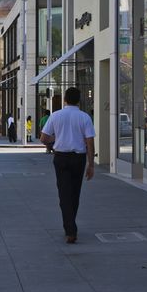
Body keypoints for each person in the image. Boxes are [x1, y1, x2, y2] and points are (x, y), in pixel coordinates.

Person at [40, 86, 96, 244]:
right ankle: (71, 227)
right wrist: (91, 164)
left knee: (63, 193)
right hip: (79, 158)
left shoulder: (56, 115)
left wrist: (56, 140)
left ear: (65, 99)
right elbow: (90, 142)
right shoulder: (84, 117)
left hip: (61, 157)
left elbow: (43, 138)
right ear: (79, 100)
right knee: (74, 193)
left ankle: (70, 228)